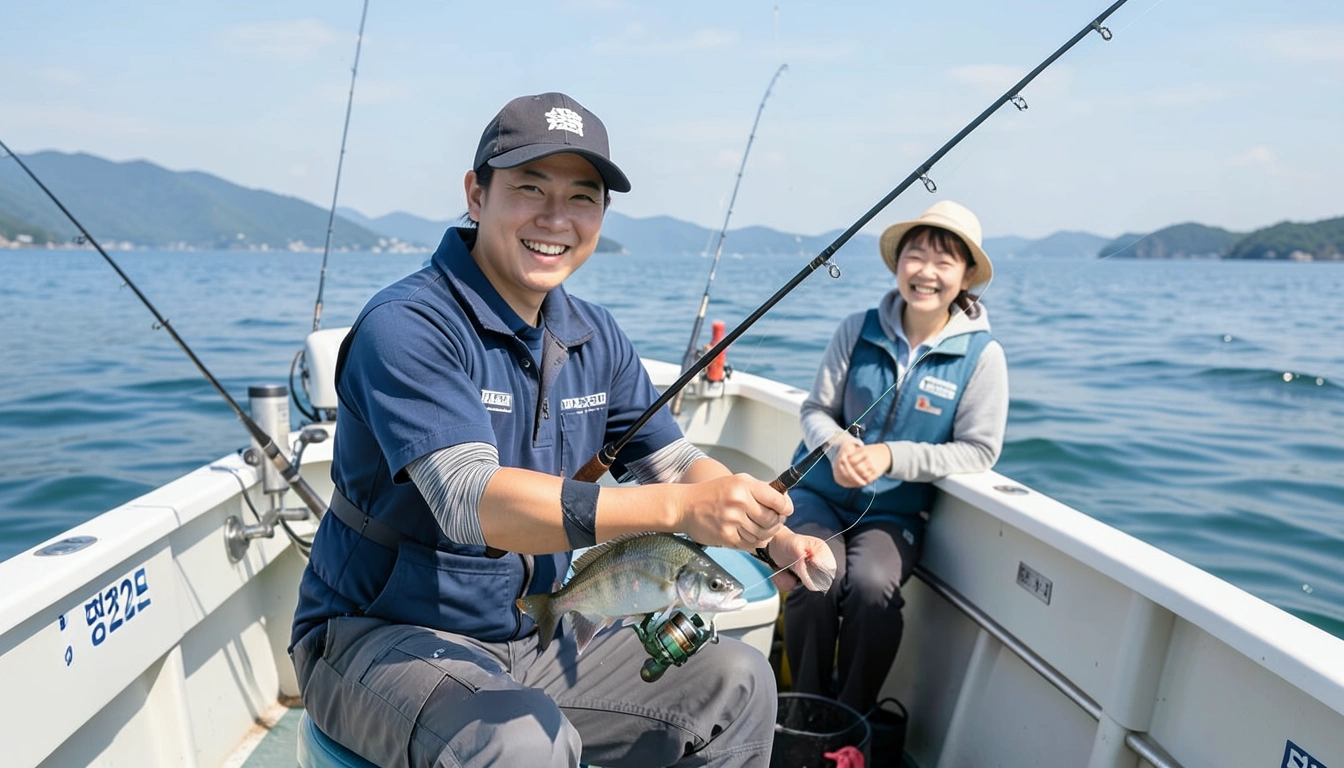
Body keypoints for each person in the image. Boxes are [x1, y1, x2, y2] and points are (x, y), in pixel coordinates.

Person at [289, 92, 835, 768]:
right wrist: (684, 510)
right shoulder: (409, 324)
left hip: (537, 628)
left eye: (583, 197)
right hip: (379, 636)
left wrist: (770, 529)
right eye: (528, 188)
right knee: (522, 743)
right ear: (476, 193)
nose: (556, 218)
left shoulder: (595, 335)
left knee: (740, 682)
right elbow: (470, 498)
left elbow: (672, 462)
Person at [781, 200, 1009, 718]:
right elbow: (816, 409)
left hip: (894, 511)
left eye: (944, 261)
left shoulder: (982, 355)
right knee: (815, 573)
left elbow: (979, 450)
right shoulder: (856, 328)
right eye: (916, 255)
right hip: (818, 493)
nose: (926, 272)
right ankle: (805, 711)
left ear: (967, 275)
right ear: (897, 261)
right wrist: (838, 445)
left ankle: (849, 720)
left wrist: (890, 457)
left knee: (871, 586)